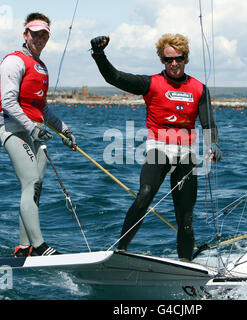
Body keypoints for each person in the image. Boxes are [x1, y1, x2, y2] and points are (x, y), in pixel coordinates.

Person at [90, 34, 221, 261]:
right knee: (145, 194)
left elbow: (208, 123)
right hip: (159, 147)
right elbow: (115, 77)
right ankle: (121, 251)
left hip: (186, 152)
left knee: (186, 218)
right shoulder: (150, 83)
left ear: (185, 58)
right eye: (168, 59)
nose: (173, 64)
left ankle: (186, 266)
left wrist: (213, 145)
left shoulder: (199, 89)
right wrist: (99, 54)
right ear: (162, 60)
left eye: (178, 58)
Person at [0, 12, 77, 257]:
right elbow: (9, 103)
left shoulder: (41, 67)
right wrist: (32, 128)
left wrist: (64, 129)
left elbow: (42, 108)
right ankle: (40, 247)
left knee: (35, 188)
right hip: (15, 130)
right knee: (30, 182)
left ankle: (24, 247)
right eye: (35, 34)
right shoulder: (14, 61)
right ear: (25, 34)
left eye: (44, 35)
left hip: (36, 132)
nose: (39, 39)